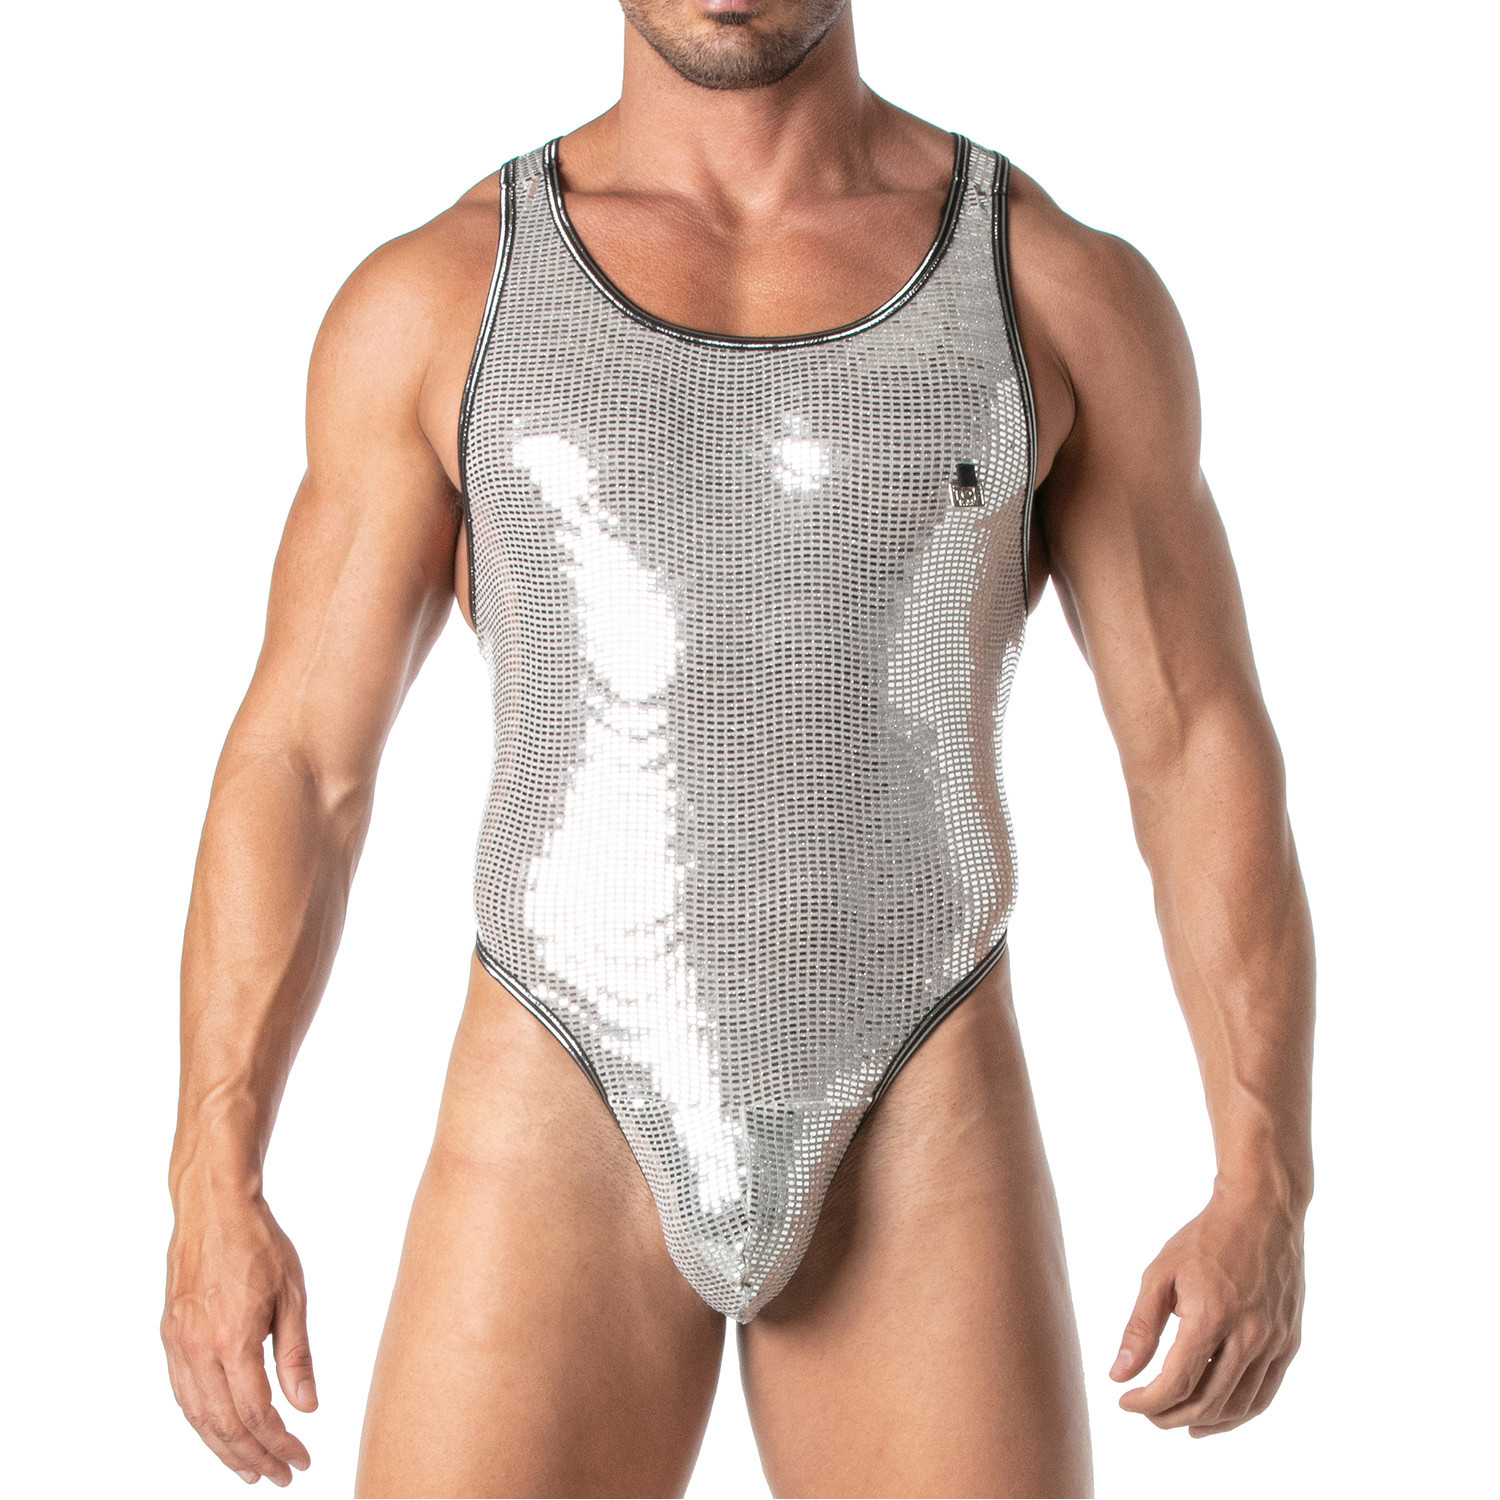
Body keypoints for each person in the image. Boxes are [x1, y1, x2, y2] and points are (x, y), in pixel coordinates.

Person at [160, 2, 1315, 1494]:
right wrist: (213, 1174)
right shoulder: (442, 295)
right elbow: (302, 762)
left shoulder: (1052, 289)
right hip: (555, 1107)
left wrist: (1265, 1174)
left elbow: (1193, 739)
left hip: (922, 1112)